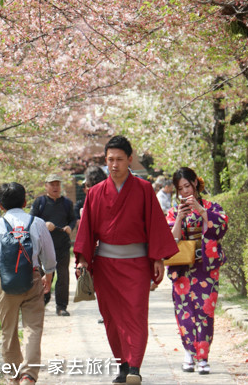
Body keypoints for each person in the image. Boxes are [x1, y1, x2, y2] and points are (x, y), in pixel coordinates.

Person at [74, 135, 178, 385]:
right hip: (106, 266)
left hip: (137, 264)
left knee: (136, 314)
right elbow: (86, 229)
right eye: (110, 160)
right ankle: (122, 364)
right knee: (111, 316)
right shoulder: (96, 193)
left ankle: (134, 367)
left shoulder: (143, 190)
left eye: (119, 159)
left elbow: (154, 225)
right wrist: (83, 260)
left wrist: (157, 259)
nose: (114, 164)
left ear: (130, 159)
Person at [0, 182, 56, 385]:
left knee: (9, 330)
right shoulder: (38, 223)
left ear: (0, 205)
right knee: (33, 328)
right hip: (32, 279)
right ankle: (29, 376)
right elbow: (49, 258)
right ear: (25, 202)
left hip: (4, 283)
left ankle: (13, 376)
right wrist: (47, 278)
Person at [166, 167, 228, 375]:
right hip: (182, 267)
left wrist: (201, 212)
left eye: (187, 186)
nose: (185, 192)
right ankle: (188, 353)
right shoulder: (174, 212)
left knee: (205, 311)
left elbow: (220, 228)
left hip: (206, 268)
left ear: (196, 184)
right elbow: (169, 241)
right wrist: (180, 219)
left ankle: (203, 357)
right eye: (180, 188)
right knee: (185, 311)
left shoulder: (212, 207)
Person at [29, 174, 77, 316]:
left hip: (62, 245)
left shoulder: (67, 203)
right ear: (46, 186)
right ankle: (43, 301)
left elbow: (72, 220)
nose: (55, 187)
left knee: (63, 275)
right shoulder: (40, 202)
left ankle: (61, 306)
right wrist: (44, 224)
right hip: (43, 246)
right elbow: (31, 220)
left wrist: (70, 227)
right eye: (52, 184)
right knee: (44, 274)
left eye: (57, 184)